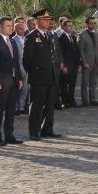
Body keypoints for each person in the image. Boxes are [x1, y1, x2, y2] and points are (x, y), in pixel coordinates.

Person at [23, 9, 61, 139]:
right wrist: (35, 73)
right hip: (38, 77)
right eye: (45, 19)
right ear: (38, 21)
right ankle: (34, 131)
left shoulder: (51, 35)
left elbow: (54, 56)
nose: (48, 21)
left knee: (50, 105)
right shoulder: (31, 36)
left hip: (51, 75)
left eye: (49, 19)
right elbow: (26, 60)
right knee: (37, 106)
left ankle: (47, 129)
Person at [0, 16, 23, 146]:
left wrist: (19, 78)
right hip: (0, 81)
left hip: (13, 81)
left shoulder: (12, 41)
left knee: (10, 109)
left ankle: (9, 135)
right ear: (0, 27)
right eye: (8, 25)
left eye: (11, 25)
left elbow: (16, 62)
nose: (11, 27)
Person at [77, 16, 98, 106]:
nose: (93, 25)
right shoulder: (82, 35)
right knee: (85, 82)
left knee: (93, 82)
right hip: (86, 62)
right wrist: (84, 62)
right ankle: (85, 101)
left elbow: (97, 49)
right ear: (86, 24)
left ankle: (93, 99)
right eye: (91, 23)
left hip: (95, 62)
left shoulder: (95, 34)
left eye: (94, 23)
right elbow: (81, 50)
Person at [57, 19, 81, 108]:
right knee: (63, 85)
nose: (70, 27)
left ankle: (72, 100)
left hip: (74, 66)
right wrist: (63, 65)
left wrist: (79, 64)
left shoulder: (74, 38)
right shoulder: (61, 38)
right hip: (66, 66)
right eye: (68, 25)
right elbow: (61, 53)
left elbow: (77, 52)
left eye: (71, 25)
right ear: (64, 27)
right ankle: (65, 101)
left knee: (72, 84)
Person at [12, 21, 30, 114]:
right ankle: (15, 107)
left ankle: (21, 107)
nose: (23, 30)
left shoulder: (27, 38)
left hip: (27, 68)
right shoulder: (13, 40)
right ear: (15, 29)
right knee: (17, 89)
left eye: (23, 29)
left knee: (25, 89)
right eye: (20, 28)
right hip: (18, 69)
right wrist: (19, 68)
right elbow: (15, 57)